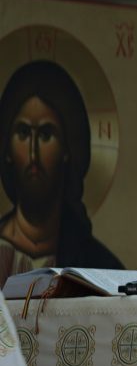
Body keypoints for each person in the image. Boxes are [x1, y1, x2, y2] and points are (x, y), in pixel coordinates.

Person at [0, 60, 122, 278]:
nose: (33, 154)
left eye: (46, 135)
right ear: (7, 149)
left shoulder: (100, 266)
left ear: (68, 149)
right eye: (23, 133)